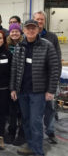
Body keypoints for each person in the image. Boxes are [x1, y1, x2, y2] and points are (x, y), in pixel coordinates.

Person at [10, 20, 59, 156]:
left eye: (33, 28)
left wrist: (51, 90)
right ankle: (31, 145)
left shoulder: (47, 45)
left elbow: (54, 69)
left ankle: (38, 151)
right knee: (26, 120)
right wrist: (13, 89)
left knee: (35, 121)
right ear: (23, 31)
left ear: (38, 30)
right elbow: (14, 69)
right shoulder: (20, 46)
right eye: (28, 28)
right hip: (22, 91)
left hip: (38, 92)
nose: (30, 31)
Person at [33, 10, 62, 144]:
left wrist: (55, 80)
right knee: (34, 108)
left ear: (44, 21)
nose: (39, 21)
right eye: (37, 19)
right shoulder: (28, 36)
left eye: (41, 19)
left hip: (49, 80)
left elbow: (57, 60)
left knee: (50, 107)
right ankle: (33, 134)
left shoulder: (52, 37)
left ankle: (50, 131)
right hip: (34, 81)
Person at [4, 23, 25, 146]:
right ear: (9, 33)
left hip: (22, 83)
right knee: (12, 109)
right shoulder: (6, 45)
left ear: (21, 32)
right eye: (12, 31)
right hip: (9, 82)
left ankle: (22, 133)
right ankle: (11, 131)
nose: (14, 33)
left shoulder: (25, 45)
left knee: (22, 111)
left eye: (17, 31)